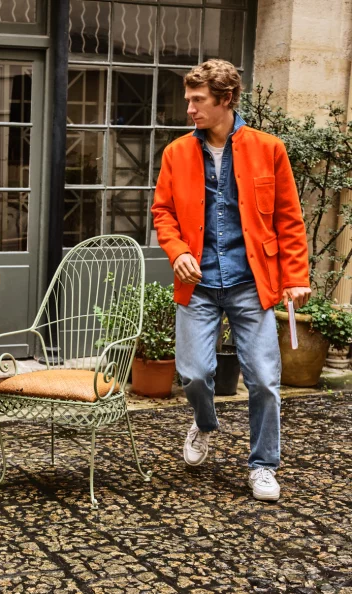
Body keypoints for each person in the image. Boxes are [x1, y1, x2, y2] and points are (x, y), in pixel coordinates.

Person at [151, 60, 311, 501]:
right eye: (188, 99)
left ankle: (263, 465)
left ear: (225, 99)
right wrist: (178, 251)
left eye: (198, 100)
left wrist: (295, 276)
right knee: (194, 374)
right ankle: (204, 423)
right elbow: (162, 212)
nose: (190, 109)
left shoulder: (269, 148)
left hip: (251, 282)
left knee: (264, 380)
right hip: (198, 283)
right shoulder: (176, 152)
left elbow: (289, 219)